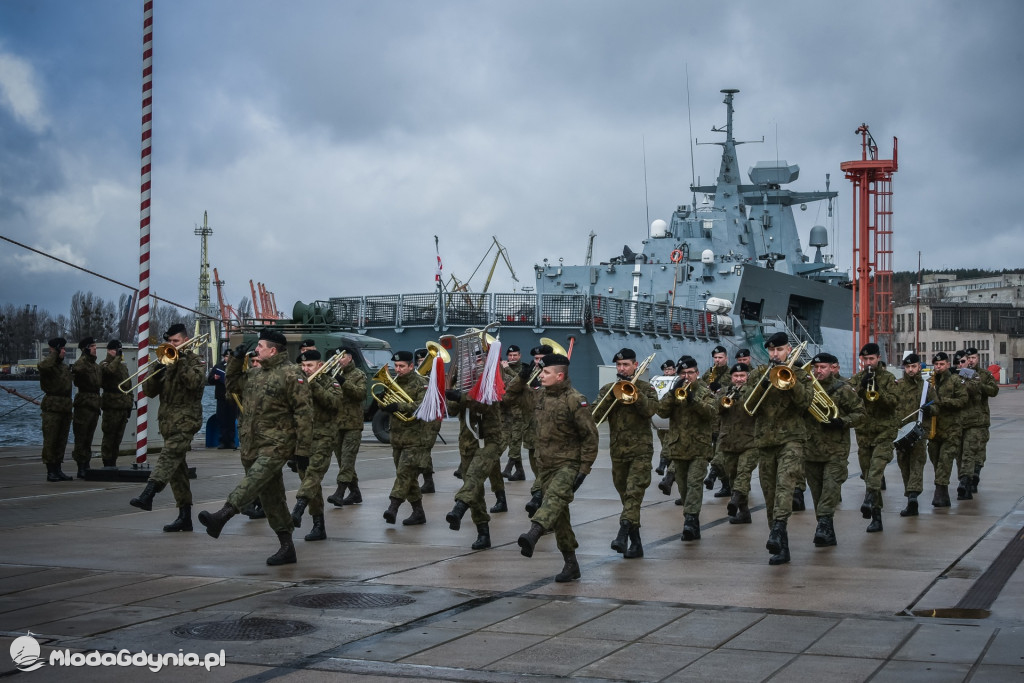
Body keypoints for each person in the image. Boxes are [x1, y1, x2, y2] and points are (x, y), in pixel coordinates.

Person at [199, 329, 313, 565]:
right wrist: (236, 361)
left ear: (273, 350)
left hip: (277, 444)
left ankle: (223, 515)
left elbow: (304, 414)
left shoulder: (292, 374)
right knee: (272, 497)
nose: (256, 349)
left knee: (252, 482)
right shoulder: (255, 373)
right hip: (252, 444)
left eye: (260, 346)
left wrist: (302, 451)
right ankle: (287, 547)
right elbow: (231, 387)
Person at [510, 353, 597, 583]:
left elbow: (590, 438)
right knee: (560, 517)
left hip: (568, 465)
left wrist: (583, 470)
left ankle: (533, 533)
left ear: (559, 376)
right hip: (545, 467)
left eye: (546, 372)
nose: (542, 375)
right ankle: (571, 564)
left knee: (553, 501)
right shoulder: (539, 397)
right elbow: (510, 396)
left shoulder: (575, 400)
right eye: (541, 371)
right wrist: (522, 376)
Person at [129, 324, 205, 533]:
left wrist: (178, 363)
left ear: (186, 340)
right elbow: (149, 391)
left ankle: (149, 493)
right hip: (168, 422)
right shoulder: (164, 360)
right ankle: (184, 517)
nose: (172, 345)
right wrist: (159, 369)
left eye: (176, 342)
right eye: (169, 342)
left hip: (186, 420)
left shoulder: (195, 361)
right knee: (177, 470)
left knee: (168, 456)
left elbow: (195, 383)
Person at [748, 332, 813, 565]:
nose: (775, 354)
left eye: (780, 350)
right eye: (772, 351)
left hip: (792, 440)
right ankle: (781, 545)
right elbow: (748, 407)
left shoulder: (801, 374)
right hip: (766, 443)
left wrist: (791, 383)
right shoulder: (757, 374)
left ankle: (777, 528)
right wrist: (763, 383)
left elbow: (806, 403)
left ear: (789, 350)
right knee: (770, 495)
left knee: (785, 484)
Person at [597, 348, 657, 558]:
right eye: (619, 365)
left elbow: (650, 410)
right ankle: (636, 543)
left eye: (626, 365)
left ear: (635, 366)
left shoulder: (646, 388)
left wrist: (633, 393)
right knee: (627, 498)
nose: (622, 368)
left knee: (633, 494)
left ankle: (622, 534)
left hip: (640, 452)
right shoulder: (608, 389)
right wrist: (613, 394)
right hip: (618, 453)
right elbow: (596, 417)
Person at [445, 346, 507, 550]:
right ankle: (483, 532)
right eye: (474, 360)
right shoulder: (464, 383)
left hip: (489, 440)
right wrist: (452, 390)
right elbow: (453, 411)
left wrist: (461, 396)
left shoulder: (494, 378)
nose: (477, 364)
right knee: (476, 490)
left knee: (474, 477)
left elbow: (484, 404)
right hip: (468, 441)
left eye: (481, 360)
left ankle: (458, 508)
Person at [804, 353, 863, 547]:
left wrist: (842, 422)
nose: (818, 371)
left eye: (823, 367)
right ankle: (826, 530)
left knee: (830, 491)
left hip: (835, 451)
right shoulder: (807, 390)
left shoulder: (844, 389)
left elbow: (861, 414)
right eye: (816, 367)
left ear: (833, 368)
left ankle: (823, 525)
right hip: (811, 450)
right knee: (817, 494)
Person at [656, 356, 716, 542]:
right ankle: (693, 521)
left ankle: (689, 521)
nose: (687, 376)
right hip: (678, 447)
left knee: (694, 483)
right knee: (682, 487)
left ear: (697, 373)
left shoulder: (704, 390)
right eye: (683, 373)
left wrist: (692, 401)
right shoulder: (674, 392)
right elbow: (661, 411)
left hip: (699, 448)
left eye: (690, 373)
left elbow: (711, 413)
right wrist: (672, 394)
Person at [291, 349, 343, 541]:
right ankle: (318, 525)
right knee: (310, 482)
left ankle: (297, 509)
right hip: (302, 439)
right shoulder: (297, 384)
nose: (305, 369)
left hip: (324, 437)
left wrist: (312, 386)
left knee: (312, 476)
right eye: (302, 366)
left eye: (309, 365)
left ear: (320, 366)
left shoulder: (331, 382)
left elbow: (335, 403)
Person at [848, 343, 899, 533]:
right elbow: (848, 400)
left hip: (884, 432)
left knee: (876, 472)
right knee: (869, 474)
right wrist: (861, 388)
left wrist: (879, 391)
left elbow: (893, 403)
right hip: (864, 434)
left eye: (871, 359)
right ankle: (876, 517)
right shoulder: (858, 378)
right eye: (865, 359)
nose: (868, 362)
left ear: (878, 358)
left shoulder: (889, 378)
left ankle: (869, 499)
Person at [380, 351, 433, 526]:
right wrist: (382, 401)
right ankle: (419, 513)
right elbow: (385, 405)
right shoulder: (392, 382)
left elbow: (422, 406)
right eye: (396, 366)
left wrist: (399, 405)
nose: (398, 369)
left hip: (415, 439)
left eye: (402, 366)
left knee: (404, 474)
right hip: (397, 438)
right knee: (408, 478)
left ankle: (392, 507)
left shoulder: (421, 383)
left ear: (411, 366)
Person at [893, 353, 934, 516]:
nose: (910, 370)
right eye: (908, 367)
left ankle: (913, 497)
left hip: (918, 432)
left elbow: (937, 406)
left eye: (914, 367)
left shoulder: (926, 387)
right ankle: (910, 494)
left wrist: (930, 409)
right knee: (904, 464)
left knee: (917, 463)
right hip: (901, 431)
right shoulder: (898, 386)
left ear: (919, 367)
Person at [326, 347, 368, 507]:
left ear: (349, 358)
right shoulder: (333, 374)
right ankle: (355, 492)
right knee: (343, 461)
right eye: (336, 358)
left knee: (347, 460)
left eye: (341, 357)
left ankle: (340, 492)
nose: (338, 360)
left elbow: (360, 394)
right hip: (336, 423)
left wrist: (342, 382)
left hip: (352, 424)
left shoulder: (359, 374)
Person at [715, 363, 756, 524]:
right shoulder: (724, 392)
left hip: (749, 442)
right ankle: (744, 512)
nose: (739, 379)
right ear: (731, 378)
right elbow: (716, 410)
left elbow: (757, 410)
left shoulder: (753, 392)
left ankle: (735, 498)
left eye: (742, 376)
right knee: (733, 477)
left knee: (743, 474)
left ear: (747, 377)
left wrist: (743, 398)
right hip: (729, 442)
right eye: (736, 376)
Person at [926, 352, 968, 507]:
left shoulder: (956, 381)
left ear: (948, 365)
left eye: (942, 364)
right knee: (935, 459)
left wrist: (942, 401)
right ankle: (942, 490)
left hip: (951, 429)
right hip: (934, 429)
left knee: (945, 460)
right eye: (936, 365)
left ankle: (940, 491)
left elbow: (963, 400)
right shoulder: (930, 382)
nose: (938, 367)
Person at [958, 347, 999, 497]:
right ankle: (967, 480)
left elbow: (994, 391)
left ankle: (974, 475)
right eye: (968, 358)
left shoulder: (984, 375)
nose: (970, 361)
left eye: (973, 358)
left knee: (978, 452)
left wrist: (979, 384)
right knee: (966, 452)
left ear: (978, 358)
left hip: (980, 420)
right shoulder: (960, 373)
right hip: (963, 420)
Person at [39, 337, 74, 482]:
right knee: (51, 440)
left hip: (65, 407)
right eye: (63, 349)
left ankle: (58, 468)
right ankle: (50, 470)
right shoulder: (48, 366)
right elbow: (43, 366)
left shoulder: (63, 367)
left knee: (61, 440)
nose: (65, 352)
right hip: (52, 407)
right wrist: (54, 352)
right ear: (57, 349)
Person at [71, 337, 101, 477]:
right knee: (81, 437)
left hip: (94, 404)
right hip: (84, 404)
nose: (95, 348)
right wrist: (85, 355)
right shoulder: (81, 363)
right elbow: (77, 370)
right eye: (93, 346)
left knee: (89, 438)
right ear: (86, 348)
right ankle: (81, 466)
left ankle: (86, 464)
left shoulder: (95, 366)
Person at [99, 340, 133, 467]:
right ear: (109, 350)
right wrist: (117, 358)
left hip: (123, 406)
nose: (117, 352)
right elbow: (109, 372)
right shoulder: (105, 364)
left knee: (118, 438)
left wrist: (129, 404)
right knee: (109, 436)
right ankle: (107, 462)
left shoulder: (123, 366)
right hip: (111, 406)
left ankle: (113, 461)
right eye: (115, 350)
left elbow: (128, 386)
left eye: (119, 350)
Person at [499, 344, 527, 481]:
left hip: (518, 411)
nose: (512, 357)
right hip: (504, 410)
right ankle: (520, 472)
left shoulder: (524, 368)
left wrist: (507, 369)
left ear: (520, 356)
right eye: (510, 355)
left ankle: (508, 468)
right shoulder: (501, 369)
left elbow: (522, 382)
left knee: (515, 440)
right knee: (508, 440)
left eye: (515, 355)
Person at [206, 349, 238, 449]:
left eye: (230, 356)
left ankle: (231, 441)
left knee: (231, 419)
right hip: (221, 397)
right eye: (227, 356)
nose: (228, 358)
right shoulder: (218, 366)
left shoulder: (236, 367)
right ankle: (223, 441)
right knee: (222, 419)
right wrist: (214, 378)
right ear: (224, 357)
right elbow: (209, 380)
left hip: (233, 397)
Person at [654, 359, 676, 476]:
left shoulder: (677, 381)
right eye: (665, 369)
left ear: (674, 370)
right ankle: (669, 467)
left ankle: (664, 466)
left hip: (672, 421)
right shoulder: (659, 381)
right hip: (661, 422)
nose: (667, 371)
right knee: (664, 444)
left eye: (669, 369)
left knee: (668, 445)